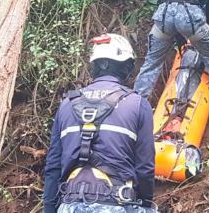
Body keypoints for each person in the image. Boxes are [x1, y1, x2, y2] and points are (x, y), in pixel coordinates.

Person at [43, 34, 156, 213]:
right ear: (125, 66)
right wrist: (146, 204)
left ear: (96, 65)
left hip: (69, 203)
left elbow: (53, 167)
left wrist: (49, 209)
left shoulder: (66, 105)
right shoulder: (137, 104)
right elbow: (145, 168)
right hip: (117, 203)